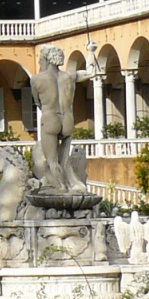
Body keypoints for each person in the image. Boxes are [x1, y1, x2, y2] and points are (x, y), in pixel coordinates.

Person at [29, 44, 95, 190]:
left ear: (46, 59)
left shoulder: (36, 79)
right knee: (64, 160)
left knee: (52, 161)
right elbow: (91, 72)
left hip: (50, 119)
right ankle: (73, 184)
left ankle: (61, 188)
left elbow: (37, 102)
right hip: (68, 120)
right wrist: (91, 52)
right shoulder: (69, 77)